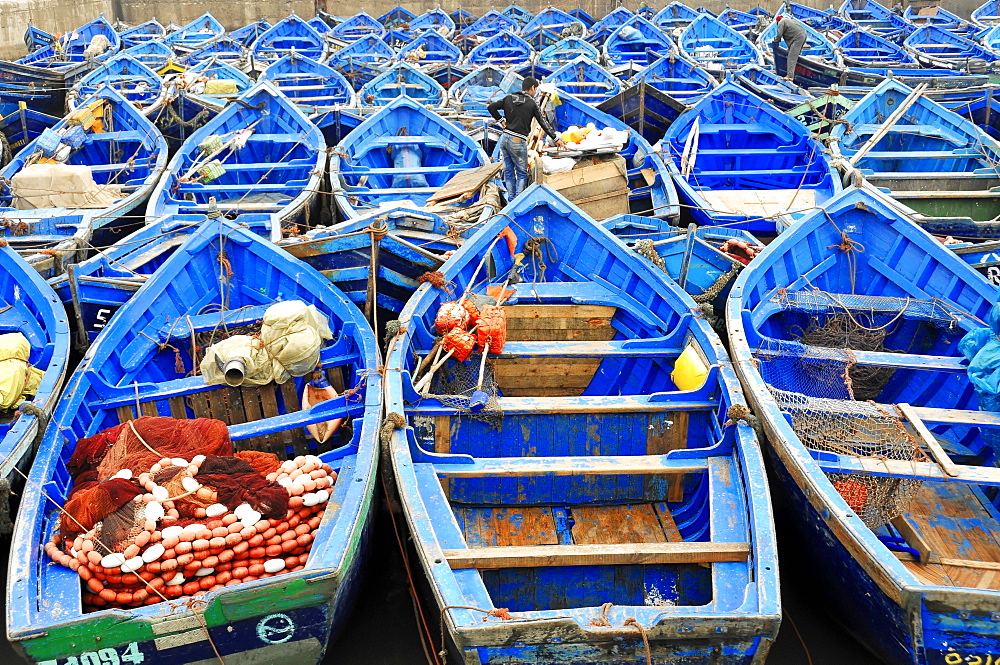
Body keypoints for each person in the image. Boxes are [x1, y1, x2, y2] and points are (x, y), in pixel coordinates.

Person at [487, 77, 565, 201]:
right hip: (518, 141)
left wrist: (501, 121)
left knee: (508, 171)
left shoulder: (509, 98)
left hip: (505, 138)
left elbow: (491, 107)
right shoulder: (531, 103)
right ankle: (517, 201)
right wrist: (556, 138)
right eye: (535, 90)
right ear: (533, 88)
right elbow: (543, 122)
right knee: (522, 173)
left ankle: (511, 199)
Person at [771, 14, 807, 82]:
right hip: (803, 34)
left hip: (798, 37)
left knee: (791, 57)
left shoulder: (781, 22)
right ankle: (795, 72)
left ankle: (790, 76)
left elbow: (779, 34)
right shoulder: (789, 20)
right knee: (795, 54)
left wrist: (775, 41)